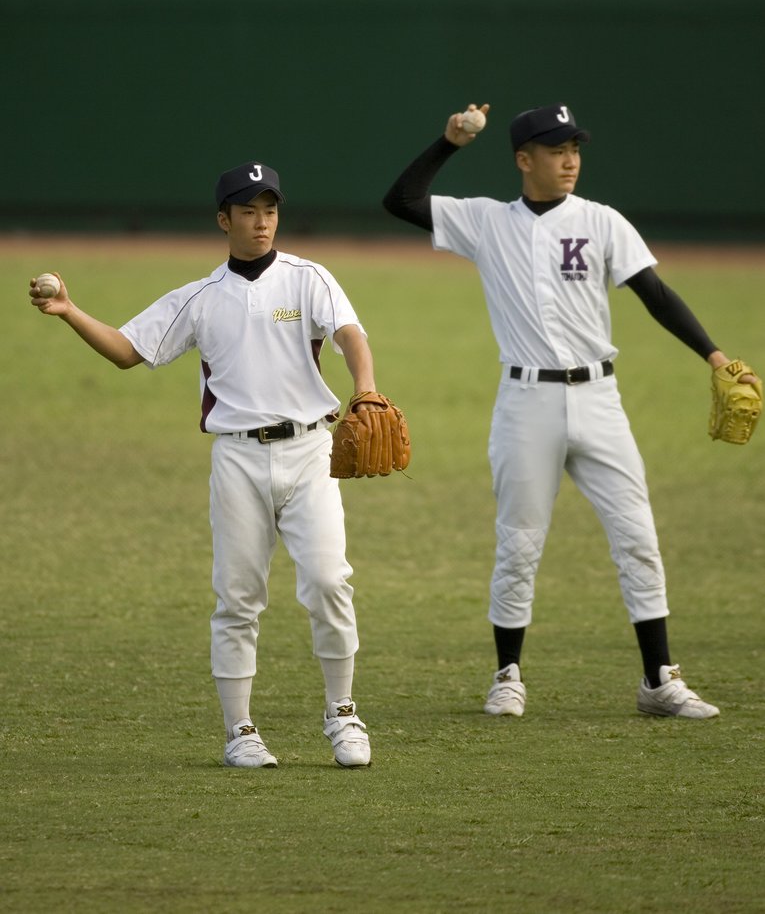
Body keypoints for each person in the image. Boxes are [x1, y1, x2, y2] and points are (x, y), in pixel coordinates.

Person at [383, 101, 759, 720]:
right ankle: (508, 675)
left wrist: (715, 357)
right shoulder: (485, 222)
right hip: (525, 401)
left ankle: (659, 681)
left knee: (638, 536)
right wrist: (448, 143)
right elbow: (400, 200)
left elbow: (654, 294)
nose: (570, 161)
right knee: (519, 543)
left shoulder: (603, 221)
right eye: (557, 151)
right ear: (523, 160)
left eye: (575, 150)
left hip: (600, 401)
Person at [30, 160, 380, 768]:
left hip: (310, 454)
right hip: (238, 459)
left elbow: (350, 334)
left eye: (270, 209)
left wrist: (367, 387)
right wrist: (69, 310)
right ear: (224, 219)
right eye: (248, 210)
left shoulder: (308, 279)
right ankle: (240, 732)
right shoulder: (200, 298)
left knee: (329, 581)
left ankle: (342, 714)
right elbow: (126, 351)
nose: (262, 221)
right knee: (239, 598)